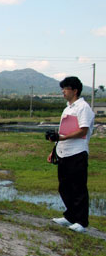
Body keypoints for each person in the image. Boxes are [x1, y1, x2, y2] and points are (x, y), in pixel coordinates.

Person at [48, 76, 95, 233]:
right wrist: (54, 148)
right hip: (63, 152)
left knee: (78, 187)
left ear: (75, 90)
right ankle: (70, 217)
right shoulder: (67, 109)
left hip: (77, 152)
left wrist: (63, 137)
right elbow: (63, 131)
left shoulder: (83, 108)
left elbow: (83, 130)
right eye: (63, 88)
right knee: (65, 186)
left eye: (66, 88)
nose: (63, 91)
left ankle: (81, 222)